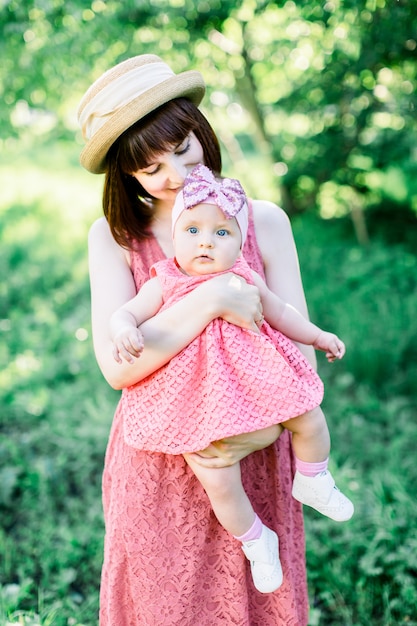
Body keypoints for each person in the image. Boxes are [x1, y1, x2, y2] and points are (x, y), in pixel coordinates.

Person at [78, 53, 348, 624]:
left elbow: (299, 356)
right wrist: (211, 299)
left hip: (254, 442)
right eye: (152, 168)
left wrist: (261, 433)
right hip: (161, 459)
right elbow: (118, 368)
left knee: (257, 598)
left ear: (202, 133)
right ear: (128, 175)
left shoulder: (264, 220)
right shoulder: (116, 238)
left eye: (183, 150)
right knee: (166, 602)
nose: (175, 176)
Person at [109, 163, 354, 594]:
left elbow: (283, 313)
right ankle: (256, 539)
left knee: (310, 416)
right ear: (175, 238)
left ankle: (314, 477)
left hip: (254, 389)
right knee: (218, 478)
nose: (205, 241)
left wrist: (318, 337)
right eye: (193, 231)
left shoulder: (244, 277)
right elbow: (128, 312)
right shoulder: (165, 280)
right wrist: (125, 328)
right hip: (193, 403)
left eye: (222, 233)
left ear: (240, 243)